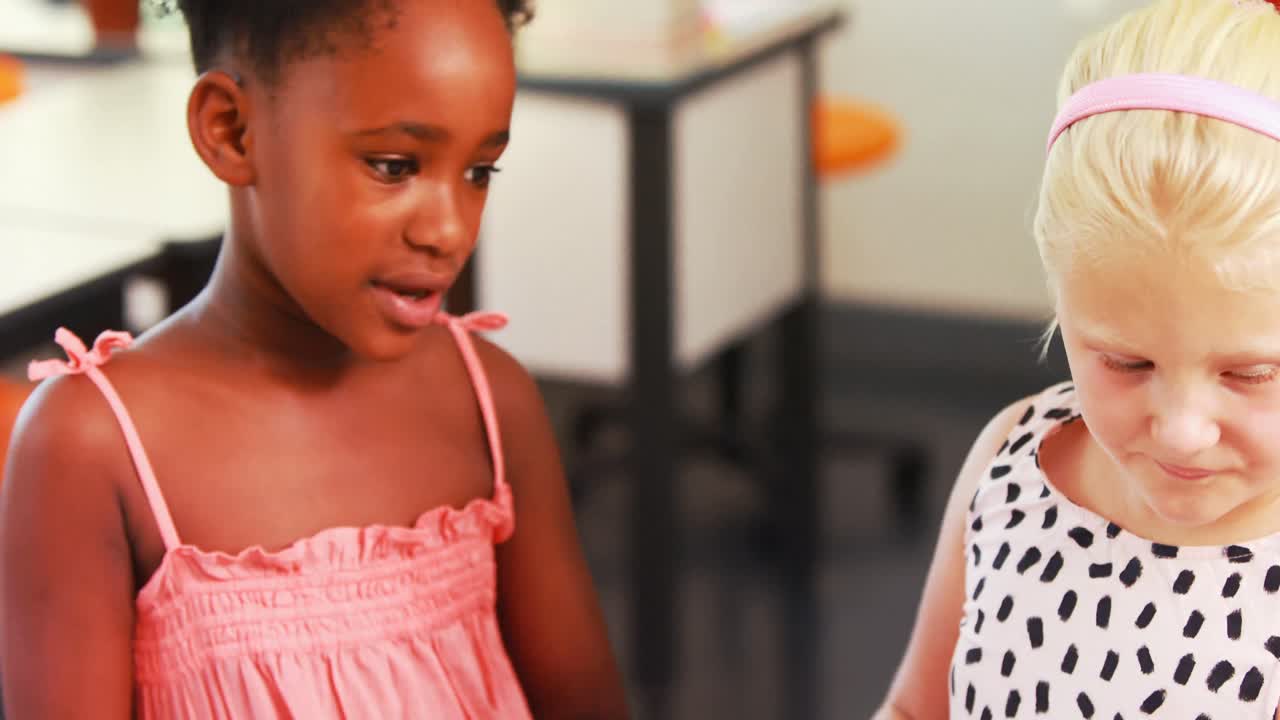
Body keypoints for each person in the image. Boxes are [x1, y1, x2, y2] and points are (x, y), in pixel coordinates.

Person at [0, 1, 629, 717]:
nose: (450, 230)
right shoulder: (90, 447)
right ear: (231, 131)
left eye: (480, 171)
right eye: (395, 166)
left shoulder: (492, 403)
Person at [874, 0, 1280, 717]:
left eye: (1250, 374)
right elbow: (914, 708)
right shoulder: (1010, 460)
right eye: (1125, 362)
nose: (1183, 430)